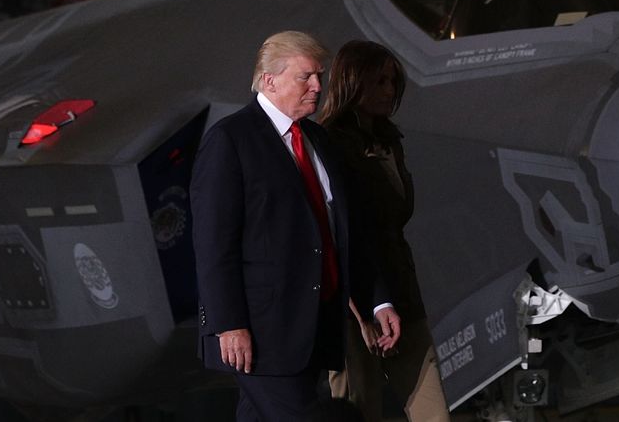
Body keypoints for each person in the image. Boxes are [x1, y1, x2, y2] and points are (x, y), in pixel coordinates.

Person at [191, 30, 402, 422]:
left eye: (319, 76)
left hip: (310, 326)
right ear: (269, 80)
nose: (318, 87)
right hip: (258, 330)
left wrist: (378, 299)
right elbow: (213, 244)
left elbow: (341, 232)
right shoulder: (230, 140)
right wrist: (228, 323)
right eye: (306, 77)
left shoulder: (318, 139)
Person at [322, 40, 450, 422]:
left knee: (434, 414)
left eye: (392, 82)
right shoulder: (329, 143)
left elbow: (394, 222)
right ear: (352, 81)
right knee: (359, 413)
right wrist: (371, 307)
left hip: (402, 293)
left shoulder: (390, 140)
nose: (388, 91)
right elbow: (345, 231)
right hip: (354, 308)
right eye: (378, 81)